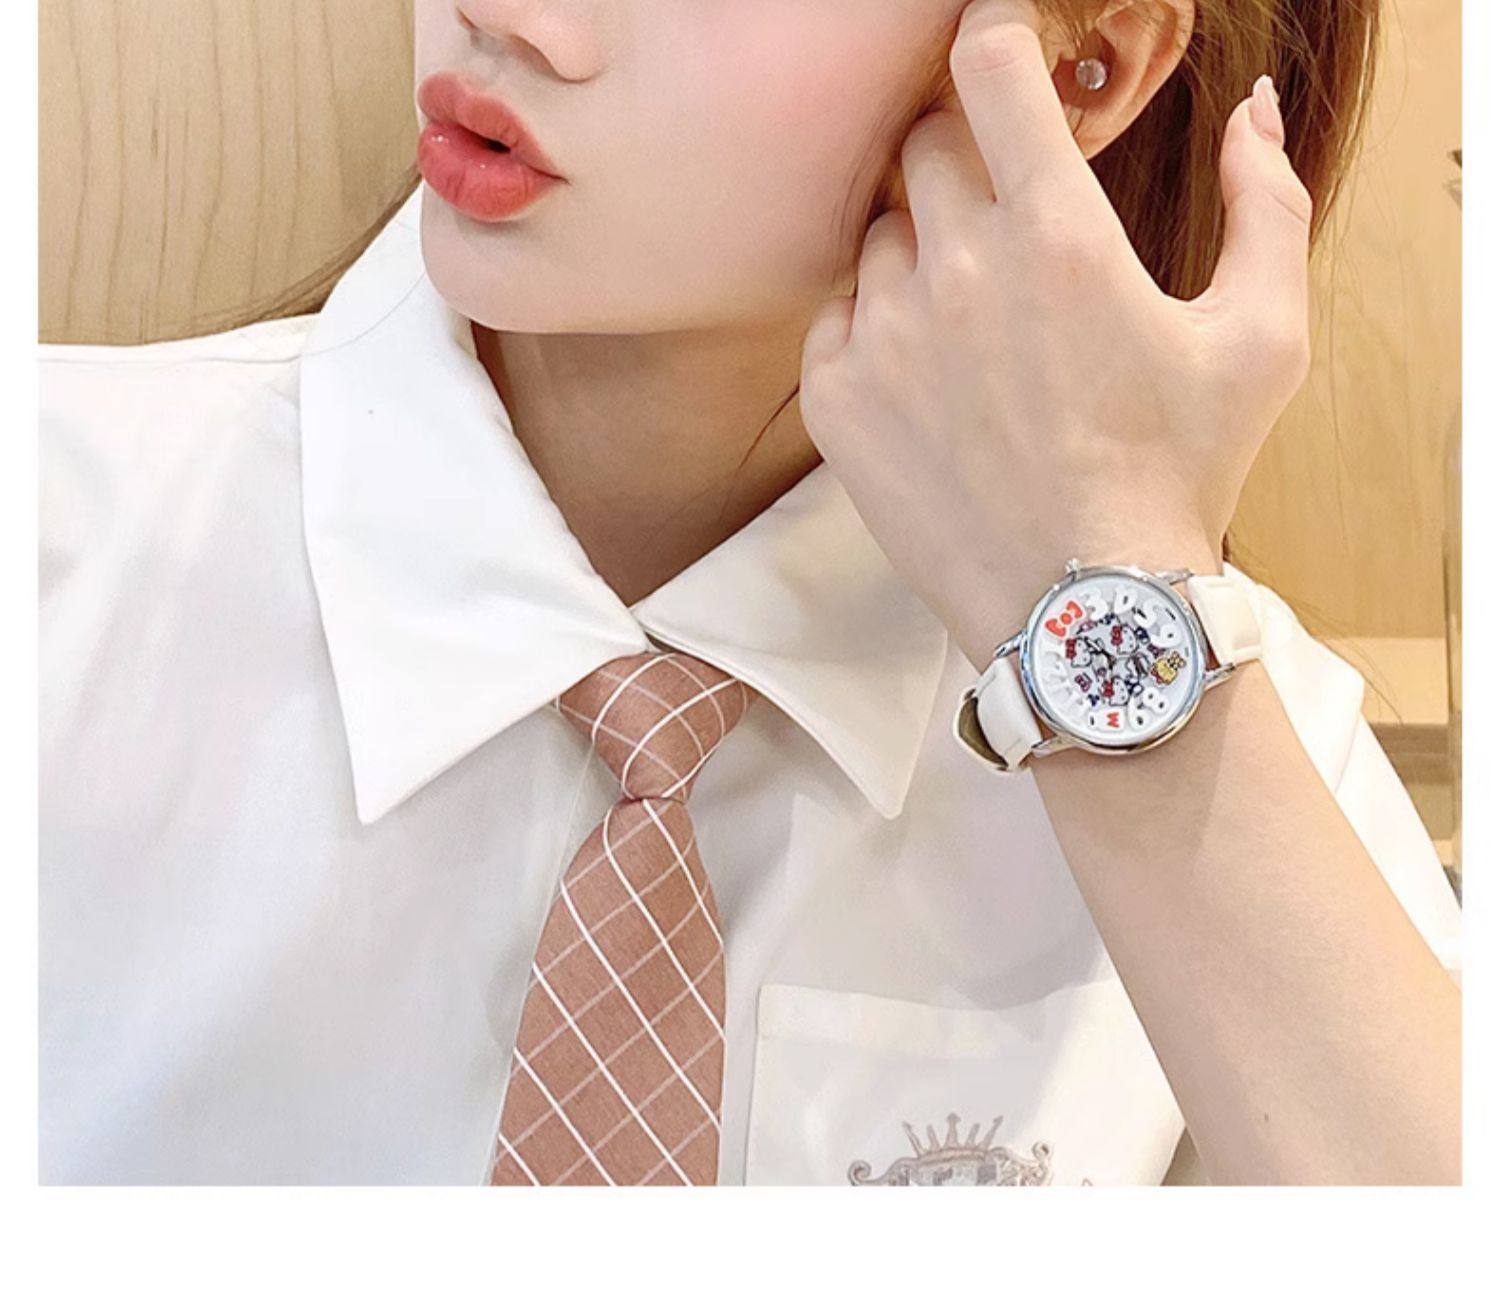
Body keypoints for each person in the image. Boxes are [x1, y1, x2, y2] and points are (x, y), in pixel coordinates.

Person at [39, 0, 1460, 1186]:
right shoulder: (54, 538)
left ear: (1078, 67)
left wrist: (1104, 625)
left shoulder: (1253, 759)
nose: (508, 15)